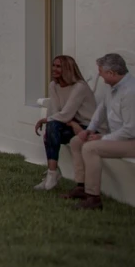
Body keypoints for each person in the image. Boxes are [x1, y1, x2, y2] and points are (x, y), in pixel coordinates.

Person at [62, 53, 135, 210]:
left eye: (101, 71)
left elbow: (130, 129)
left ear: (111, 73)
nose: (99, 75)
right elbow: (101, 109)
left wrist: (102, 139)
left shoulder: (130, 92)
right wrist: (89, 130)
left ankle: (93, 198)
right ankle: (81, 187)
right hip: (119, 137)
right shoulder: (113, 87)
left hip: (131, 141)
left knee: (90, 148)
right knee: (77, 142)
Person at [33, 55, 96, 190]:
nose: (54, 69)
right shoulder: (54, 85)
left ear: (67, 69)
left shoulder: (80, 86)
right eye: (54, 65)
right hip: (71, 124)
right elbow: (56, 112)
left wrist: (45, 120)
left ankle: (52, 174)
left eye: (58, 66)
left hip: (88, 127)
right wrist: (67, 123)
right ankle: (52, 173)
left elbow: (66, 113)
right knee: (52, 128)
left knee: (51, 126)